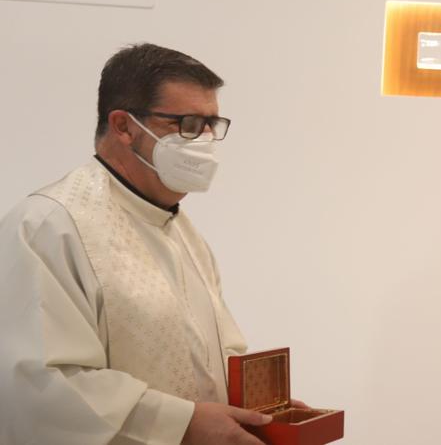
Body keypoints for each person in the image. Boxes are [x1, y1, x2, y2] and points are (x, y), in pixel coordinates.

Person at [0, 43, 274, 444]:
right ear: (124, 126)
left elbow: (215, 352)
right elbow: (42, 386)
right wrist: (181, 424)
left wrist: (263, 408)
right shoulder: (48, 226)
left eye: (212, 125)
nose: (204, 142)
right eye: (187, 124)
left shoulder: (181, 230)